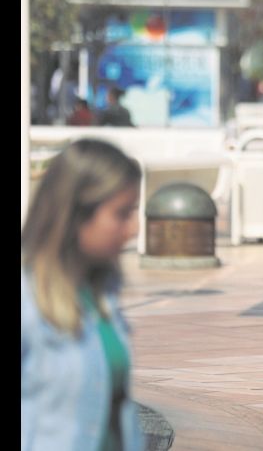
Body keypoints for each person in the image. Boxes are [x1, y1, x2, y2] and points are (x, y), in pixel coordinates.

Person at [21, 139, 145, 451]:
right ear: (76, 213)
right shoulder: (28, 299)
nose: (133, 228)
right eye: (121, 214)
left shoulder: (102, 291)